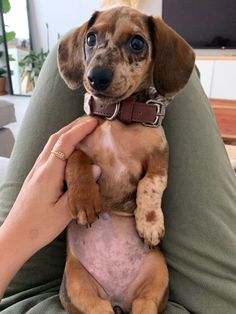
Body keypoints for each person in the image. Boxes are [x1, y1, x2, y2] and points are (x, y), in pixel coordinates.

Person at [0, 45, 236, 314]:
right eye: (92, 41)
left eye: (135, 45)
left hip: (23, 289)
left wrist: (17, 233)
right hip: (92, 275)